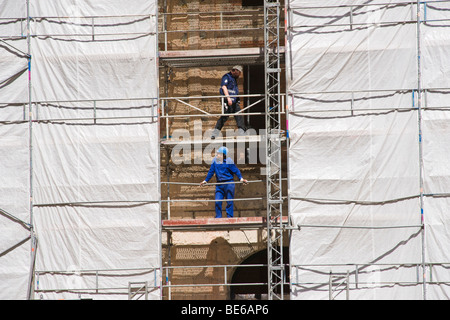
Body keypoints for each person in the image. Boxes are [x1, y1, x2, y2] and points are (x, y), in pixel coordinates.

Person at [200, 147, 248, 218]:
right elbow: (211, 171)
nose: (217, 155)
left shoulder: (229, 161)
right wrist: (205, 180)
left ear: (224, 155)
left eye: (219, 154)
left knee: (229, 202)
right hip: (219, 184)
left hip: (229, 184)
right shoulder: (215, 161)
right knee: (217, 201)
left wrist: (241, 178)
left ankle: (230, 218)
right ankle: (218, 218)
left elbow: (236, 170)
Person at [211, 66, 246, 139]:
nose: (239, 75)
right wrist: (228, 98)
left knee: (239, 115)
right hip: (227, 101)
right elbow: (224, 87)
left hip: (234, 101)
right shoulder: (227, 77)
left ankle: (241, 132)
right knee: (224, 116)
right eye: (239, 73)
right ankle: (215, 133)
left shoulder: (234, 79)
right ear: (235, 71)